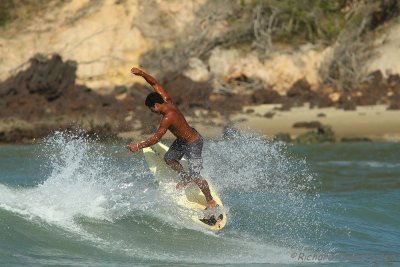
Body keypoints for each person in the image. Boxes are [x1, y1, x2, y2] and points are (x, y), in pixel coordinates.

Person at [126, 67, 217, 209]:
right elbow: (155, 84)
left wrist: (138, 146)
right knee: (169, 158)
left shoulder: (168, 118)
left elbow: (156, 138)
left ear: (156, 105)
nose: (152, 112)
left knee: (196, 176)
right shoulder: (167, 100)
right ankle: (185, 177)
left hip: (194, 142)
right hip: (182, 140)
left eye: (151, 109)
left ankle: (210, 200)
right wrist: (142, 74)